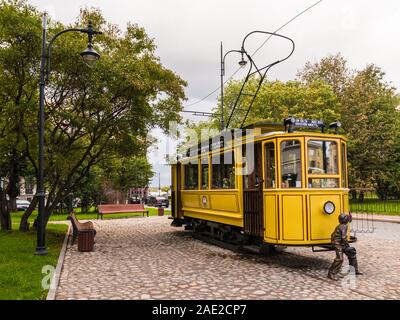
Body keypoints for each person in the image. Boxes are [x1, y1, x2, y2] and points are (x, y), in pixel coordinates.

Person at [328, 213, 363, 280]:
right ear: (346, 220)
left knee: (352, 254)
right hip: (337, 243)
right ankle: (331, 273)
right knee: (340, 258)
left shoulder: (342, 225)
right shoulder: (343, 226)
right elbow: (344, 237)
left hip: (340, 242)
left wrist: (346, 246)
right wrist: (347, 246)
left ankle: (354, 270)